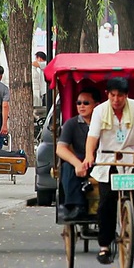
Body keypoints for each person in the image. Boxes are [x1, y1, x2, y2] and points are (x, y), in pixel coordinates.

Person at [83, 78, 134, 265]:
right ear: (108, 95)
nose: (116, 99)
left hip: (131, 156)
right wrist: (89, 155)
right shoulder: (99, 111)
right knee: (106, 201)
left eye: (120, 96)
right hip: (108, 160)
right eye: (112, 95)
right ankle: (105, 247)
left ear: (126, 95)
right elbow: (93, 136)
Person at [56, 88, 102, 220]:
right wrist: (77, 164)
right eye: (78, 103)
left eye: (86, 103)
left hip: (103, 161)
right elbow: (61, 148)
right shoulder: (71, 124)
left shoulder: (105, 122)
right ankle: (76, 206)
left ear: (97, 105)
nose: (81, 106)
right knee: (67, 167)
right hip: (82, 161)